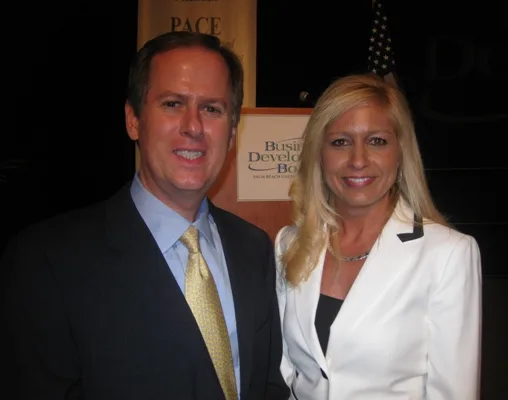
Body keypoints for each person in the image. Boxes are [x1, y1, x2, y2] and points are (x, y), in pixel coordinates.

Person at [1, 31, 289, 400]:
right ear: (133, 120)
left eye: (212, 109)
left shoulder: (254, 249)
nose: (193, 126)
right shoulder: (46, 262)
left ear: (232, 133)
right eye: (172, 103)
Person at [275, 73, 482, 399]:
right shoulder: (289, 243)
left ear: (400, 153)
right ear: (319, 154)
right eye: (340, 142)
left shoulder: (448, 254)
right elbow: (286, 373)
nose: (358, 160)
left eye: (377, 141)